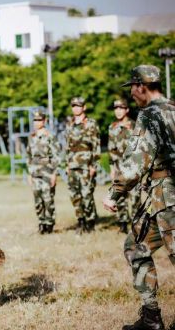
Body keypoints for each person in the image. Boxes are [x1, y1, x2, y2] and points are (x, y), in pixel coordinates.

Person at [103, 65, 174, 330]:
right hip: (159, 198)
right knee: (136, 246)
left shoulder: (150, 115)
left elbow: (136, 162)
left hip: (168, 198)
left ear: (141, 86)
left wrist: (114, 193)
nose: (131, 95)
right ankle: (151, 318)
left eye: (132, 88)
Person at [65, 97, 101, 233]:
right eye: (73, 106)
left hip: (86, 165)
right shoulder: (69, 124)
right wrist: (66, 164)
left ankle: (90, 222)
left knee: (87, 195)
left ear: (84, 107)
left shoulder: (91, 124)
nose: (75, 108)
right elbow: (67, 147)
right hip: (72, 165)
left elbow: (96, 146)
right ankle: (80, 221)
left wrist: (94, 165)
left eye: (78, 106)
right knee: (74, 195)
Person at [108, 98, 140, 233]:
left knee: (134, 199)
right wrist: (111, 169)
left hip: (132, 169)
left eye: (121, 108)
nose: (118, 111)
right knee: (119, 198)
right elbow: (111, 151)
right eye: (116, 108)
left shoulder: (135, 126)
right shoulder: (112, 127)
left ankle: (135, 226)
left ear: (127, 110)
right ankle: (122, 224)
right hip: (118, 168)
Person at [26, 111, 61, 234]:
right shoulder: (32, 136)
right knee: (38, 200)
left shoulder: (50, 136)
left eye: (39, 120)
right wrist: (29, 174)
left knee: (48, 199)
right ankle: (41, 223)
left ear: (44, 121)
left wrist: (54, 174)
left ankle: (49, 224)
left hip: (47, 172)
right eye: (35, 120)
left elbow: (56, 156)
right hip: (35, 173)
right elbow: (29, 156)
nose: (37, 123)